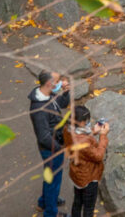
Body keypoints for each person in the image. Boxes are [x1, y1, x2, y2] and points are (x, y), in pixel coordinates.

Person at [27, 70, 72, 216]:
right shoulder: (39, 109)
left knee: (50, 177)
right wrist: (60, 149)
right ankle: (51, 212)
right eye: (58, 81)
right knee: (54, 182)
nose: (60, 83)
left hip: (54, 144)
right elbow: (44, 137)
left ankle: (44, 202)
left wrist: (66, 92)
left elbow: (62, 103)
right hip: (52, 148)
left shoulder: (47, 95)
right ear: (49, 83)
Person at [63, 104, 110, 217]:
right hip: (88, 177)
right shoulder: (82, 142)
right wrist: (103, 136)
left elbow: (81, 135)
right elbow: (98, 156)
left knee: (78, 201)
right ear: (82, 123)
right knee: (88, 208)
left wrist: (93, 130)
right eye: (87, 121)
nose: (88, 123)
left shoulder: (68, 129)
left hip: (77, 174)